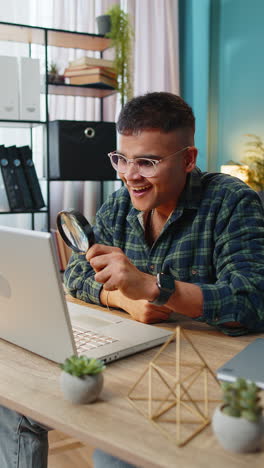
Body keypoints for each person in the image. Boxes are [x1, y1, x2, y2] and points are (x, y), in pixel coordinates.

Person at [1, 92, 264, 468]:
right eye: (121, 159)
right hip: (134, 354)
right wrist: (124, 300)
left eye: (147, 161)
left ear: (188, 159)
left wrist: (157, 288)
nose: (129, 175)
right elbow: (77, 272)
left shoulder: (232, 202)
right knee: (13, 394)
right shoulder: (119, 204)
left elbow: (252, 300)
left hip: (198, 372)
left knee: (112, 457)